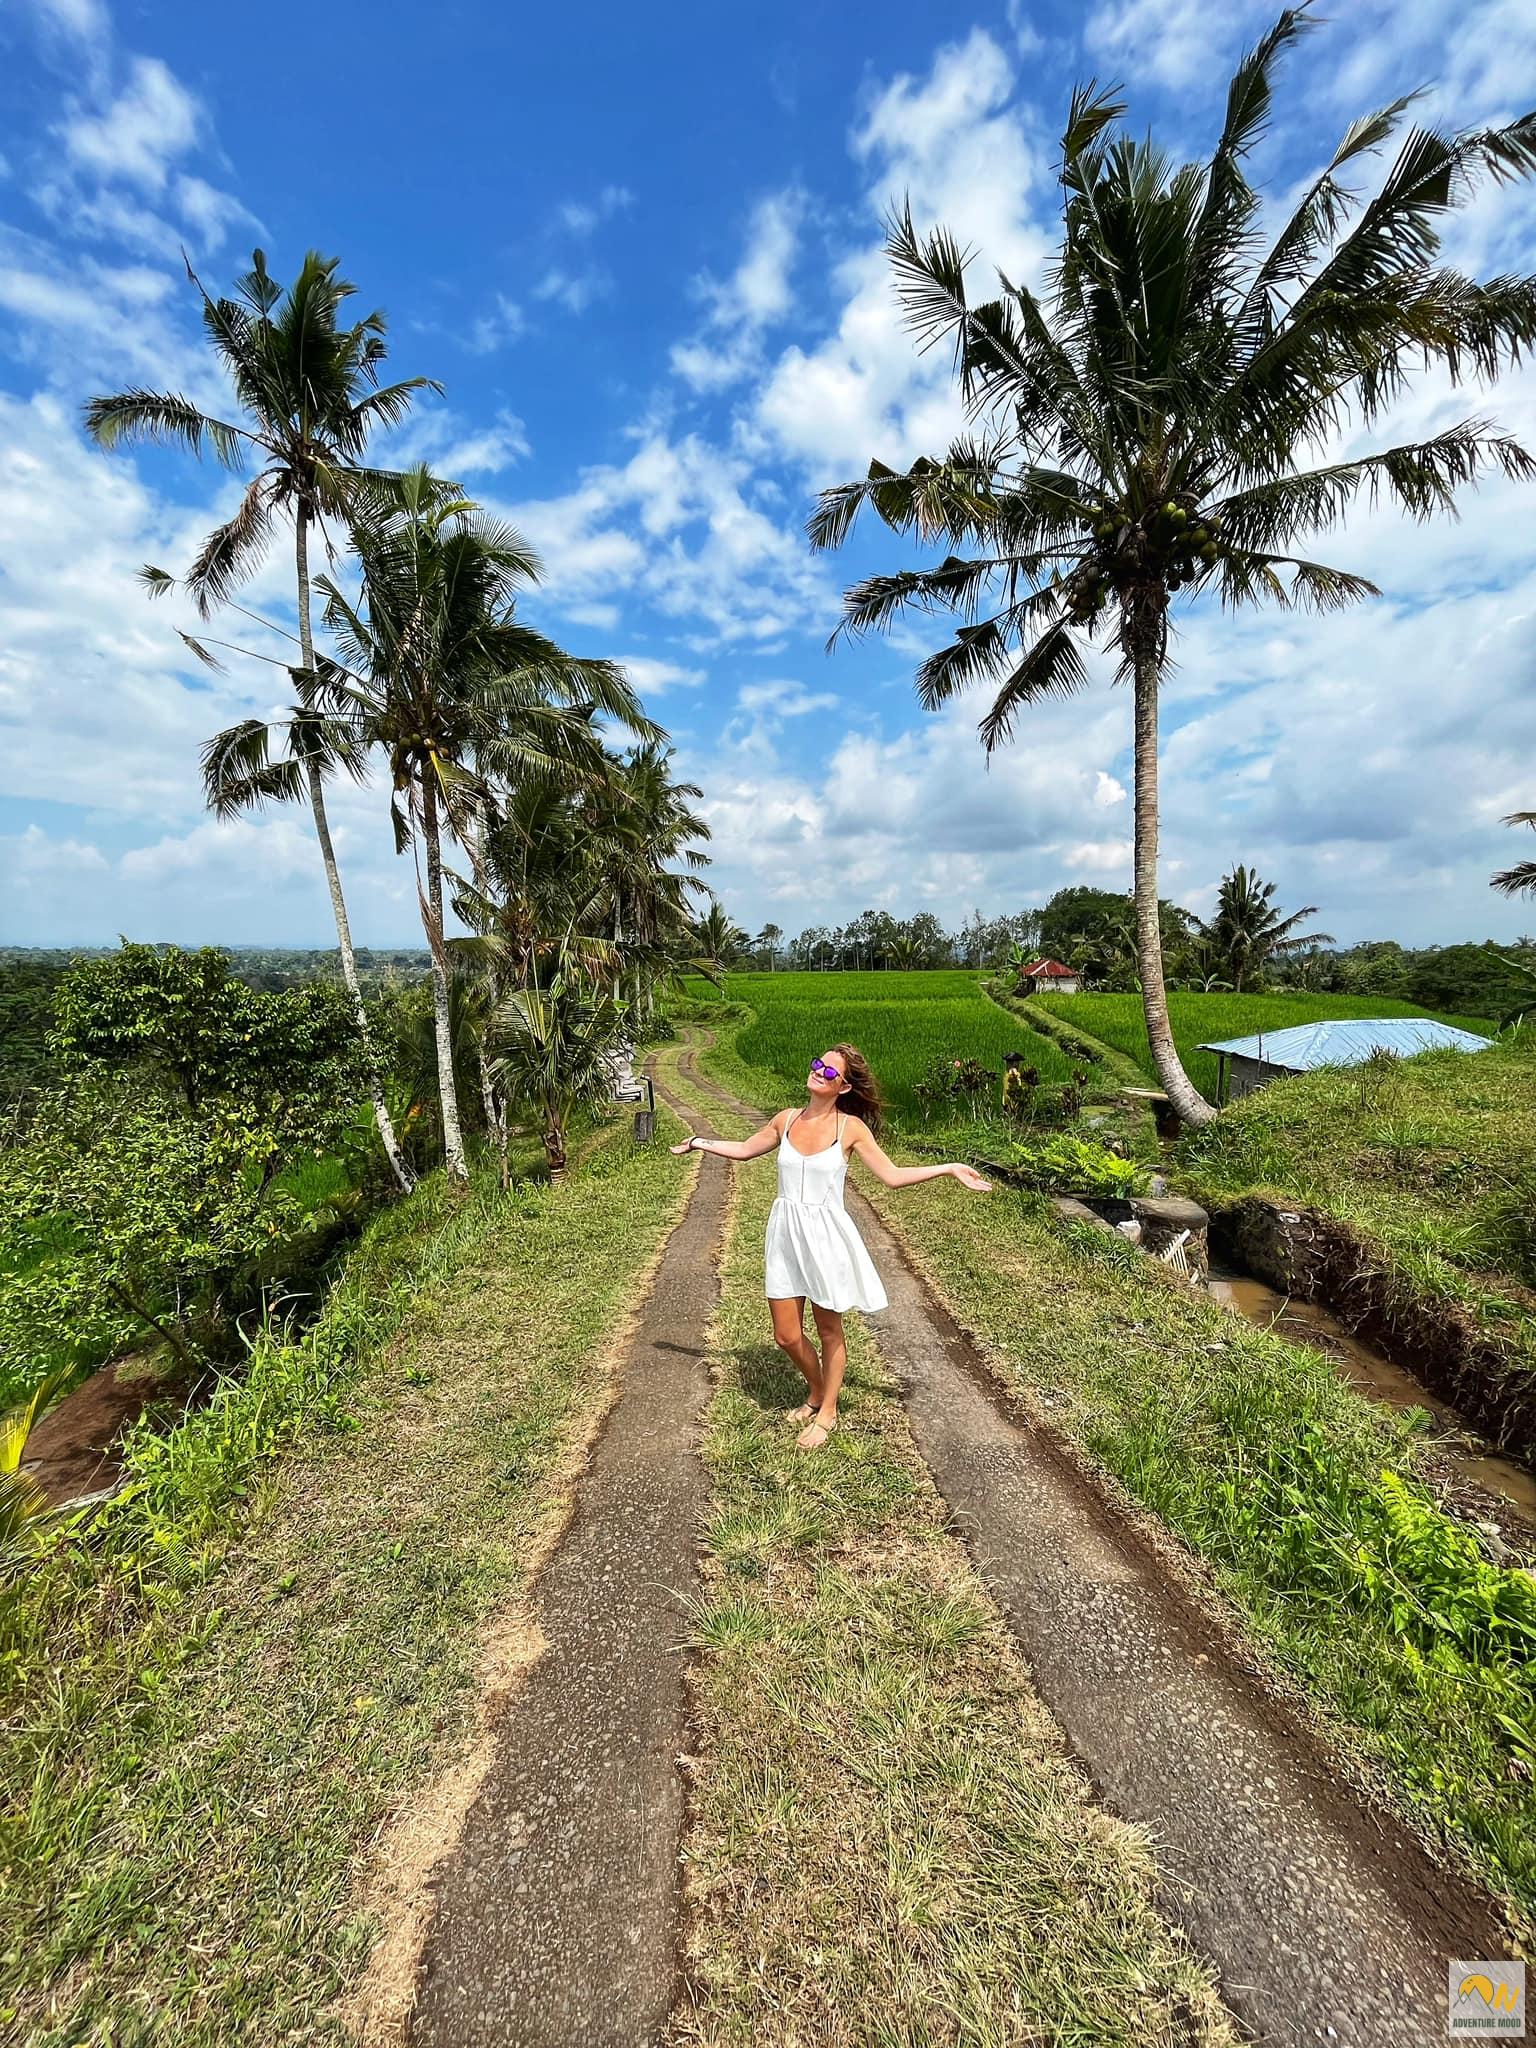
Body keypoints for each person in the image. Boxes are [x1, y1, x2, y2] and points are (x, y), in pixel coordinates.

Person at [670, 1044, 992, 1450]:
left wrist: (947, 1168)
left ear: (842, 1087)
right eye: (817, 1064)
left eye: (829, 1071)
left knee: (828, 1329)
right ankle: (819, 1388)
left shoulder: (850, 1129)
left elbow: (890, 1176)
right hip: (785, 1234)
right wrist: (699, 1142)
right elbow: (744, 1150)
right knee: (786, 1335)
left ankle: (827, 1410)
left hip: (825, 1239)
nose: (819, 1072)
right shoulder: (785, 1120)